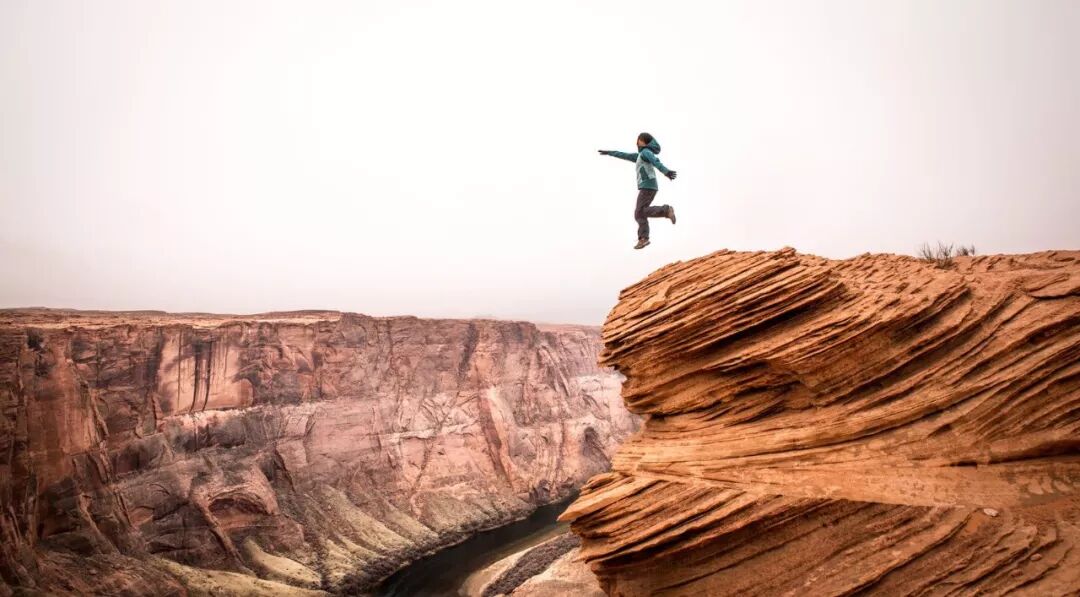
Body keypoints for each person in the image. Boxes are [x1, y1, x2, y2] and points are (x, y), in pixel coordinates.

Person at [598, 132, 678, 249]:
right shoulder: (639, 155)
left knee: (639, 212)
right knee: (640, 212)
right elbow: (623, 155)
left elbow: (656, 162)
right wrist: (610, 152)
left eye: (639, 140)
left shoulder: (646, 152)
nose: (636, 142)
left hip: (648, 185)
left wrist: (666, 172)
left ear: (643, 142)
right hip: (648, 186)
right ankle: (644, 238)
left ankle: (665, 211)